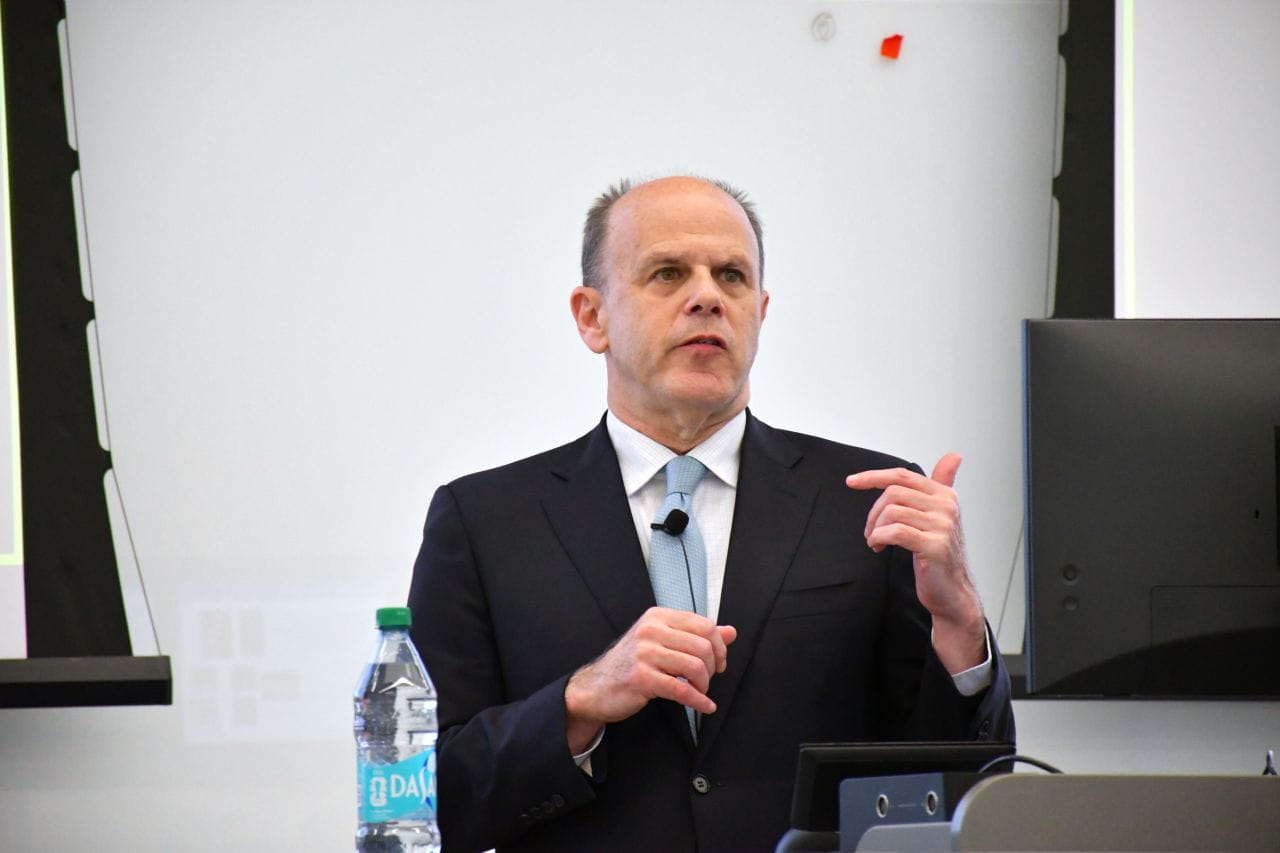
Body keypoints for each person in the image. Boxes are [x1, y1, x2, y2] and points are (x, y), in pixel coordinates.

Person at [407, 175, 1014, 853]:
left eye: (731, 276)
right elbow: (433, 801)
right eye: (667, 273)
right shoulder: (485, 521)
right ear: (591, 316)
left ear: (760, 309)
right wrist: (578, 701)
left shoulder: (867, 501)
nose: (707, 296)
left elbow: (960, 791)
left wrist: (960, 628)